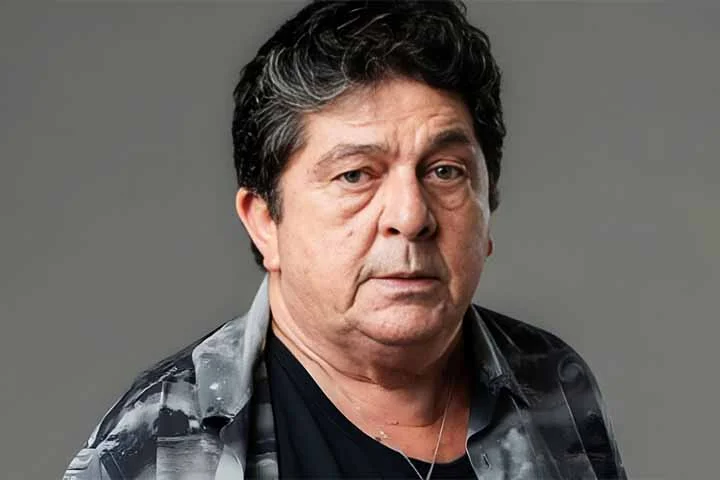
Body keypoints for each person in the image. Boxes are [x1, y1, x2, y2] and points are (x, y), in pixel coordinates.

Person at [64, 1, 626, 479]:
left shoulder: (552, 386)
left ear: (488, 207)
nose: (410, 216)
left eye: (445, 171)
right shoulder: (163, 440)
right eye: (355, 175)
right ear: (264, 222)